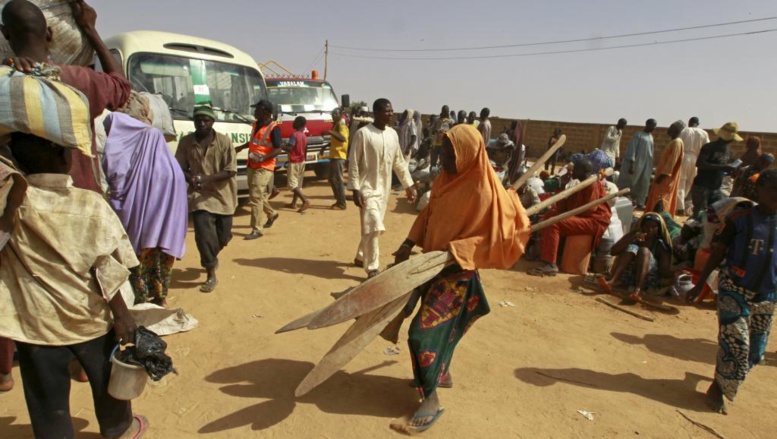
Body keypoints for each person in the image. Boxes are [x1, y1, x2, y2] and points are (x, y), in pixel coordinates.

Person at [0, 132, 147, 438]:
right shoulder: (90, 204)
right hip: (89, 318)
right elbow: (108, 267)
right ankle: (120, 429)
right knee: (107, 381)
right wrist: (122, 316)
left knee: (47, 398)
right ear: (65, 157)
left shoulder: (11, 204)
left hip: (36, 323)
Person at [389, 124, 530, 434]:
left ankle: (431, 400)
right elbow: (428, 214)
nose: (444, 157)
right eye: (444, 150)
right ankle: (441, 373)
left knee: (421, 335)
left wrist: (457, 250)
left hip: (456, 274)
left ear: (467, 153)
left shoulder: (482, 188)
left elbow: (499, 235)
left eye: (451, 151)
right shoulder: (445, 179)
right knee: (428, 327)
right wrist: (408, 243)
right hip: (430, 266)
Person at [2, 0, 132, 193]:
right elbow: (122, 87)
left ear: (5, 34)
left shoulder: (6, 82)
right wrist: (90, 30)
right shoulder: (82, 80)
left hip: (17, 202)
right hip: (78, 196)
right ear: (49, 33)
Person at [686, 169, 777, 415]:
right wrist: (700, 284)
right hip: (734, 288)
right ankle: (717, 389)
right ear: (759, 191)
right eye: (772, 190)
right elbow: (717, 253)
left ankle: (721, 380)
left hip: (767, 295)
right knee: (736, 343)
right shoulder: (740, 218)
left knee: (756, 353)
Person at [102, 112, 188, 307]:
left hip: (143, 235)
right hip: (167, 233)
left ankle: (140, 301)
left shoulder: (141, 170)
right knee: (162, 266)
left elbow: (122, 199)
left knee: (140, 267)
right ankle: (161, 298)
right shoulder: (173, 169)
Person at [348, 98, 417, 278]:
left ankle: (361, 255)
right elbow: (353, 162)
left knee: (372, 226)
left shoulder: (393, 134)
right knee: (374, 225)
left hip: (384, 189)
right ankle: (372, 268)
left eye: (392, 110)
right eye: (387, 111)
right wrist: (355, 188)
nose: (391, 113)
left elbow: (399, 162)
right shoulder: (363, 134)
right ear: (376, 113)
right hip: (366, 188)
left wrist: (409, 185)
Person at [175, 105, 237, 293]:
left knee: (223, 236)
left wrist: (206, 178)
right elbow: (178, 167)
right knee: (203, 235)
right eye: (198, 120)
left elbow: (230, 170)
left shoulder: (224, 142)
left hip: (223, 196)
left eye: (206, 120)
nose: (202, 123)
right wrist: (191, 179)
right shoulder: (186, 142)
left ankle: (212, 254)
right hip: (199, 196)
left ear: (213, 122)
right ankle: (210, 272)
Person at [529, 158, 611, 276]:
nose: (572, 172)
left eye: (575, 170)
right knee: (549, 216)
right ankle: (544, 252)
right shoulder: (580, 183)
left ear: (583, 171)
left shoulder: (592, 184)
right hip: (584, 216)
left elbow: (590, 209)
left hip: (595, 221)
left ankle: (550, 264)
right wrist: (562, 187)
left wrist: (565, 216)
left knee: (554, 223)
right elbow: (564, 207)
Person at [235, 99, 282, 239]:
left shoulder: (274, 128)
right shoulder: (256, 124)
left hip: (264, 166)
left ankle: (257, 229)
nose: (254, 111)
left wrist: (262, 158)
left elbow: (278, 148)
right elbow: (254, 142)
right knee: (257, 195)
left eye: (257, 109)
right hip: (252, 164)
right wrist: (241, 147)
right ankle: (272, 214)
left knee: (255, 197)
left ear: (266, 112)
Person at [599, 213, 672, 300]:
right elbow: (613, 251)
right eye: (647, 226)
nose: (650, 229)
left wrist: (676, 272)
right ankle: (612, 281)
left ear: (658, 229)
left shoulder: (660, 244)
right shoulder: (634, 235)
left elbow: (663, 271)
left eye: (654, 227)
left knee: (643, 251)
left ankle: (638, 290)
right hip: (628, 277)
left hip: (648, 281)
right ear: (642, 226)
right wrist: (632, 239)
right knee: (632, 247)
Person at [690, 122, 742, 219]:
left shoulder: (729, 152)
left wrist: (732, 170)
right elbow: (700, 164)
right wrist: (722, 167)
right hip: (702, 186)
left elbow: (726, 168)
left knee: (714, 215)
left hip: (716, 187)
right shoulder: (709, 147)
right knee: (699, 215)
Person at [645, 120, 686, 216]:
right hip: (663, 176)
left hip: (666, 179)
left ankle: (658, 218)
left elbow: (672, 161)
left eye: (671, 127)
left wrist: (663, 175)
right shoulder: (673, 142)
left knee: (661, 199)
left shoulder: (677, 143)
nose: (669, 129)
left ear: (676, 130)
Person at [617, 119, 656, 209]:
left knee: (643, 183)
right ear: (647, 124)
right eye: (652, 125)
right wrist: (631, 164)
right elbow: (632, 149)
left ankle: (640, 203)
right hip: (636, 164)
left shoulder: (651, 137)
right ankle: (621, 200)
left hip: (646, 165)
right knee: (629, 182)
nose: (653, 128)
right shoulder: (638, 135)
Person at [677, 117, 711, 215]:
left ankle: (680, 207)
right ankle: (681, 204)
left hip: (684, 157)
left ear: (689, 122)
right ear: (698, 123)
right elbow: (707, 147)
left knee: (681, 182)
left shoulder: (684, 131)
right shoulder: (704, 133)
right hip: (696, 159)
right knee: (689, 182)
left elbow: (679, 143)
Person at [283, 116, 311, 213]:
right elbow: (306, 149)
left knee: (292, 184)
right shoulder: (304, 136)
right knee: (298, 184)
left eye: (294, 121)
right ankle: (294, 203)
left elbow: (290, 148)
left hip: (294, 162)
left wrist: (281, 146)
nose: (293, 123)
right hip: (302, 161)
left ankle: (305, 200)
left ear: (298, 124)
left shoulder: (294, 135)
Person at [323, 108, 349, 210]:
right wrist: (324, 147)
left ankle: (342, 203)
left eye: (335, 114)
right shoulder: (336, 126)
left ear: (340, 115)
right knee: (332, 179)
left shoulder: (342, 126)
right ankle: (339, 200)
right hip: (334, 156)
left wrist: (330, 131)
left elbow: (342, 138)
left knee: (337, 180)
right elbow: (335, 140)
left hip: (339, 156)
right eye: (332, 114)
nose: (333, 116)